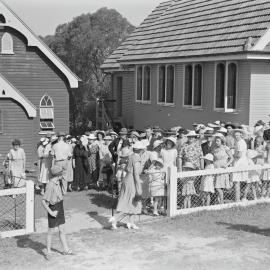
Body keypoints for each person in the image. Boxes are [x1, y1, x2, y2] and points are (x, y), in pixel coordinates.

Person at [109, 141, 145, 230]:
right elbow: (136, 173)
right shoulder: (136, 158)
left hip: (127, 178)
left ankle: (131, 222)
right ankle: (115, 218)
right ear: (141, 150)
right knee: (130, 201)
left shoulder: (131, 156)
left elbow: (126, 168)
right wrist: (138, 187)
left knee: (132, 201)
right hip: (132, 180)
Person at [42, 165, 73, 260]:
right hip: (53, 208)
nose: (62, 175)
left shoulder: (58, 182)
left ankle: (66, 249)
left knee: (62, 229)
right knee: (51, 231)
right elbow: (43, 201)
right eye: (61, 173)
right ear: (58, 174)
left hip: (60, 206)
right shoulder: (50, 185)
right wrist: (51, 212)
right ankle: (48, 251)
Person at [212, 135, 234, 204]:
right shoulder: (214, 148)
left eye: (218, 141)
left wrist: (227, 165)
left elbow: (231, 158)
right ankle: (218, 201)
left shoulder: (225, 148)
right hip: (216, 168)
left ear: (222, 141)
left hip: (223, 169)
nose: (216, 142)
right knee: (217, 186)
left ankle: (221, 202)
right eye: (216, 141)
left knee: (218, 187)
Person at [232, 129, 248, 202]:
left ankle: (237, 199)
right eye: (235, 135)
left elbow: (239, 155)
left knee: (237, 181)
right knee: (237, 181)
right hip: (240, 162)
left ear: (241, 135)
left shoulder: (240, 142)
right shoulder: (239, 142)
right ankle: (238, 198)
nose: (236, 136)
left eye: (237, 135)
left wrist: (232, 155)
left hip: (239, 163)